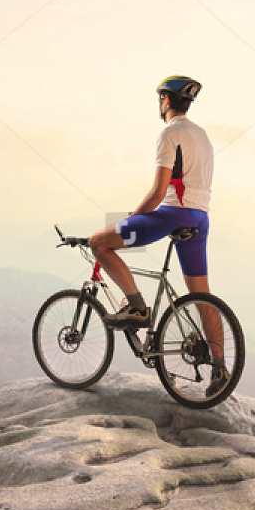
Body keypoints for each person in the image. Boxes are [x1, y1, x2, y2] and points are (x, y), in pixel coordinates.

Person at [88, 75, 230, 397]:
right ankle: (220, 367)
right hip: (200, 218)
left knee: (99, 242)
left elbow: (157, 192)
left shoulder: (169, 133)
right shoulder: (202, 135)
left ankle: (137, 307)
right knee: (202, 295)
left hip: (172, 215)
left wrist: (132, 219)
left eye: (160, 99)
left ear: (165, 101)